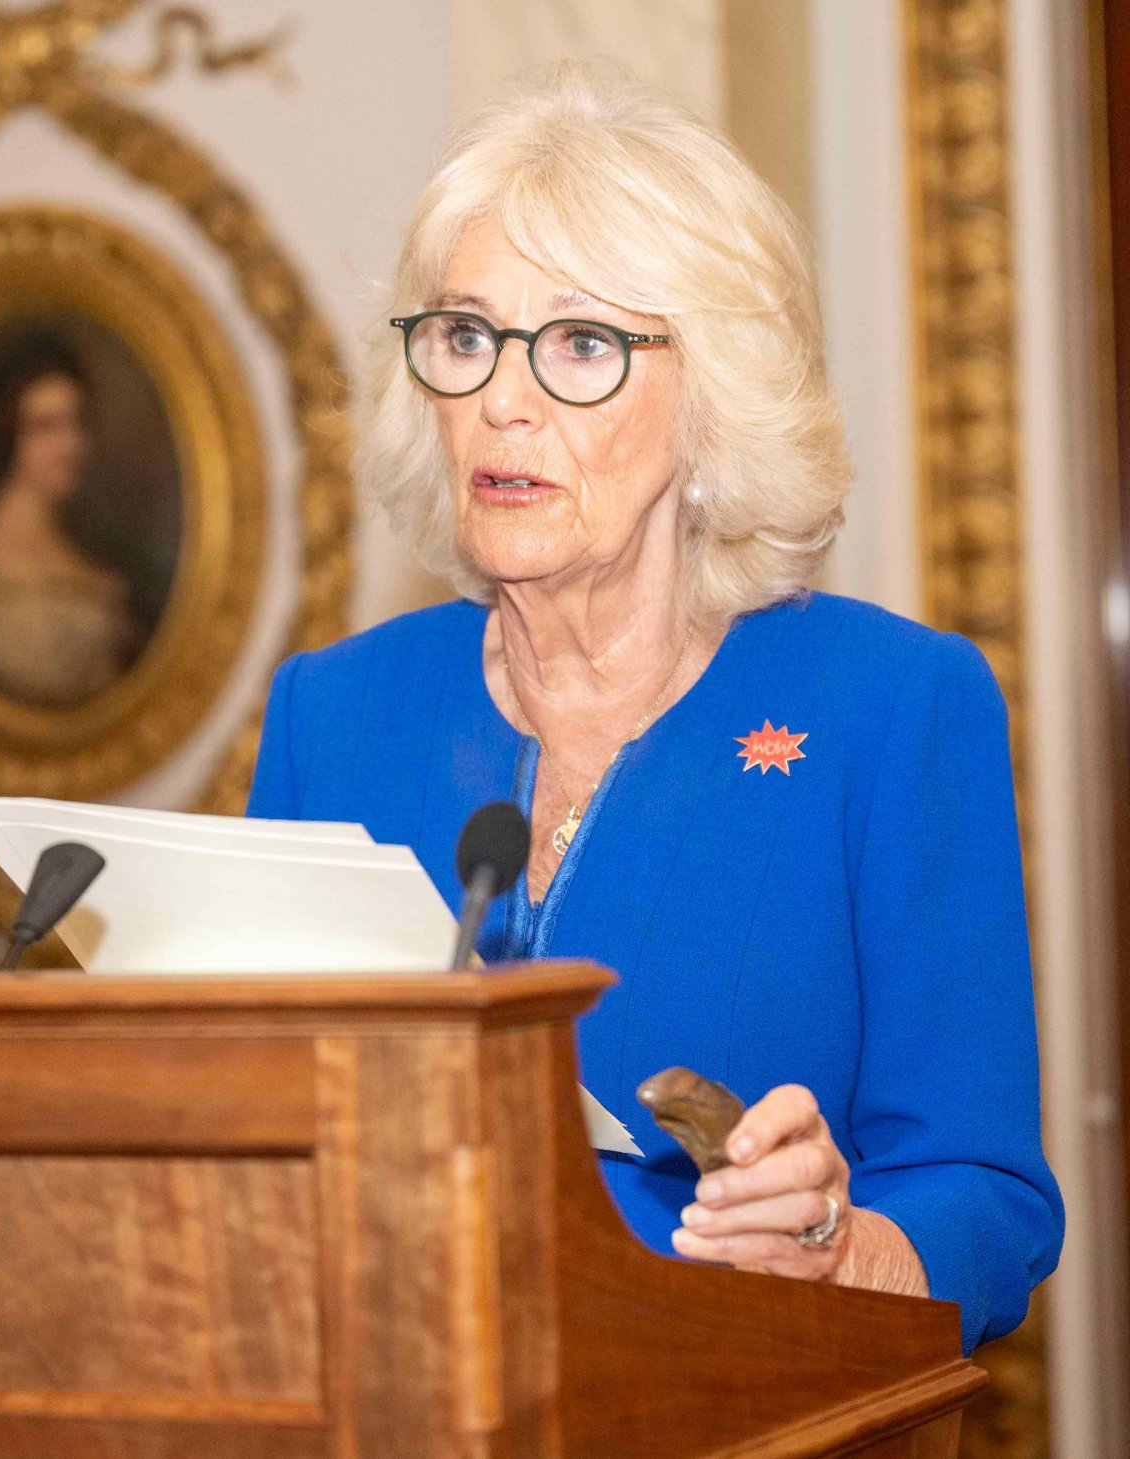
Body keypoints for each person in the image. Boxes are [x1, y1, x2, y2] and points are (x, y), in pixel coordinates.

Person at [248, 63, 1063, 1354]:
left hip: (733, 1394)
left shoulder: (891, 709)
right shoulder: (332, 713)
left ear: (713, 397)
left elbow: (991, 1199)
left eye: (582, 344)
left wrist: (840, 1244)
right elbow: (252, 1131)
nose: (502, 400)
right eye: (466, 336)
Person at [0, 337, 142, 706]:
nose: (71, 445)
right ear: (7, 435)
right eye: (46, 427)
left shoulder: (74, 537)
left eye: (76, 422)